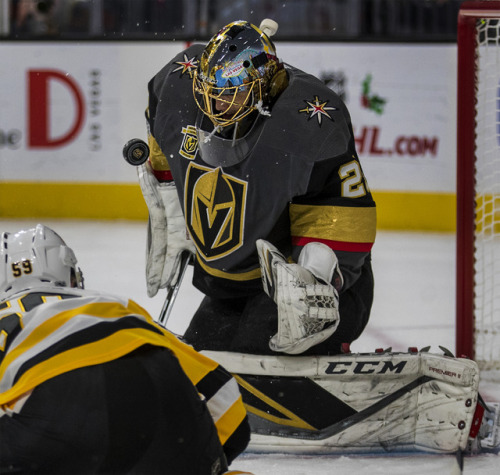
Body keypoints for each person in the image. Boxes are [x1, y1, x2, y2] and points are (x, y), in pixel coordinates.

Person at [139, 19, 376, 356]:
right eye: (211, 92)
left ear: (263, 85)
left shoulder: (307, 123)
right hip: (235, 287)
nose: (217, 106)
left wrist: (314, 276)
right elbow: (162, 137)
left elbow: (342, 214)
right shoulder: (178, 86)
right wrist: (171, 208)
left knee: (252, 357)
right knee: (202, 361)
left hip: (303, 288)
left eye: (230, 93)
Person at [0, 224, 250, 474]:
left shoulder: (5, 319)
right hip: (157, 388)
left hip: (55, 412)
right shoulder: (113, 306)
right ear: (72, 275)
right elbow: (226, 402)